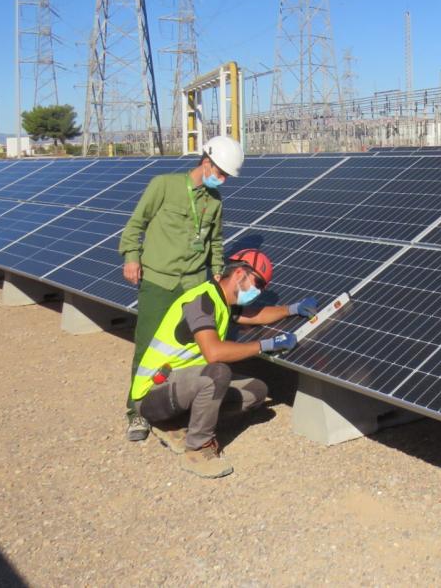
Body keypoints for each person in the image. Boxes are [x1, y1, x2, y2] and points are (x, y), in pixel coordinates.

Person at [130, 248, 318, 478]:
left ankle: (176, 425)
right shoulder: (200, 301)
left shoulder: (221, 301)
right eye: (257, 283)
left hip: (181, 385)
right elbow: (214, 353)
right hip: (152, 393)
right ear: (240, 274)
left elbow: (255, 314)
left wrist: (292, 309)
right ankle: (197, 450)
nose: (258, 291)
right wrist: (266, 345)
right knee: (217, 373)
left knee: (255, 391)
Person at [118, 136, 244, 442]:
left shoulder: (214, 201)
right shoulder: (163, 185)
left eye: (227, 175)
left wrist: (215, 271)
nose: (223, 179)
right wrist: (132, 257)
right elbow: (137, 224)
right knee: (148, 347)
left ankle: (179, 401)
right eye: (221, 172)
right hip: (159, 282)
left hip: (193, 284)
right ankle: (136, 412)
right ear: (206, 162)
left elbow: (215, 240)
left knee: (192, 350)